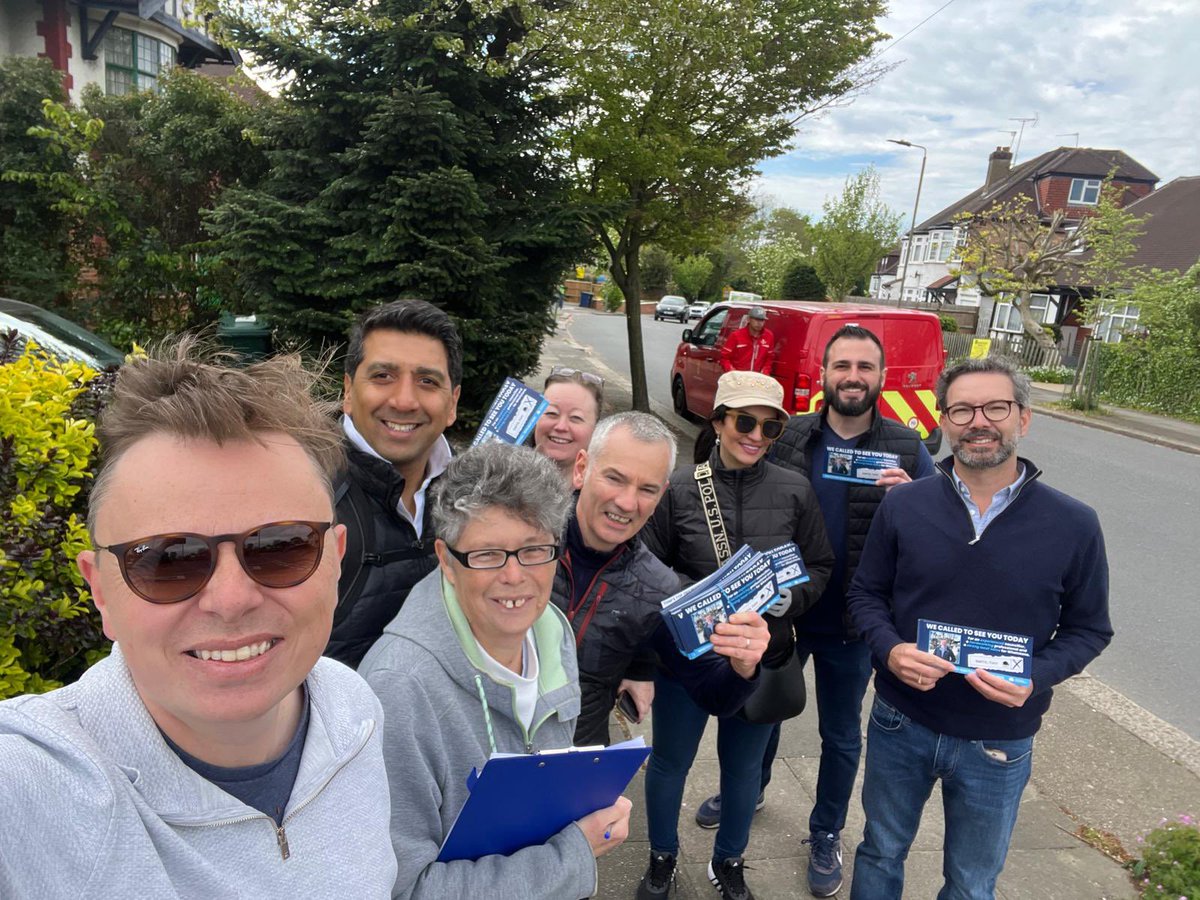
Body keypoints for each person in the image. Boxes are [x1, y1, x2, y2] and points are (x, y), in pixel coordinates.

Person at [0, 342, 396, 896]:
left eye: (280, 547)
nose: (230, 599)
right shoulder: (27, 786)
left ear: (334, 560)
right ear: (100, 591)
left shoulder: (355, 710)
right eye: (168, 560)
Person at [847, 356, 1113, 900]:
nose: (978, 421)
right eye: (962, 409)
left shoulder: (1074, 523)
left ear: (1024, 418)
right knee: (879, 851)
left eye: (996, 407)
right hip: (902, 720)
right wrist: (892, 650)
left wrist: (1035, 677)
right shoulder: (904, 505)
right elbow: (865, 595)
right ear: (944, 421)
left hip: (999, 738)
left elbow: (1090, 629)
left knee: (971, 882)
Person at [694, 323, 935, 897]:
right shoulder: (788, 435)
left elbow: (942, 533)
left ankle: (825, 831)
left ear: (881, 377)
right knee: (762, 712)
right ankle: (750, 790)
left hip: (853, 621)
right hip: (779, 612)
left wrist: (915, 506)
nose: (853, 377)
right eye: (842, 366)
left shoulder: (907, 446)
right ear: (824, 374)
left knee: (840, 734)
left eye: (865, 367)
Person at [359, 443, 633, 899]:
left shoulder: (551, 630)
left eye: (533, 550)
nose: (514, 577)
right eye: (487, 554)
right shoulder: (399, 690)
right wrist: (572, 857)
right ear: (447, 560)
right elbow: (405, 889)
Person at [639, 370, 834, 900]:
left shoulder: (795, 489)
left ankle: (729, 862)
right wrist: (699, 601)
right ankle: (661, 857)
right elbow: (648, 567)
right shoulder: (680, 486)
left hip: (761, 655)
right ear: (719, 421)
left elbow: (819, 564)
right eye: (745, 421)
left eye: (770, 428)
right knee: (670, 761)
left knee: (744, 770)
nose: (755, 435)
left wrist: (790, 599)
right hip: (690, 658)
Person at [552, 411, 771, 747]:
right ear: (581, 469)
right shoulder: (525, 538)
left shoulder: (658, 588)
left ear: (661, 496)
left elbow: (715, 696)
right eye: (615, 478)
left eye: (647, 489)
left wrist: (744, 666)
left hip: (576, 759)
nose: (627, 502)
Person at [326, 299, 462, 668]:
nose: (404, 400)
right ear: (348, 392)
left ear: (452, 404)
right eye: (383, 376)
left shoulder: (470, 497)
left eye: (427, 381)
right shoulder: (305, 495)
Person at [532, 366, 604, 482]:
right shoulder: (500, 476)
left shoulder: (602, 492)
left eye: (576, 418)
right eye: (552, 413)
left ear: (596, 428)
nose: (561, 427)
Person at [719, 305, 775, 375]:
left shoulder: (769, 336)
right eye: (756, 319)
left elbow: (769, 358)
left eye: (762, 320)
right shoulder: (736, 335)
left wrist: (765, 372)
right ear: (749, 319)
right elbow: (724, 358)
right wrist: (732, 372)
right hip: (738, 379)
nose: (759, 323)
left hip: (758, 379)